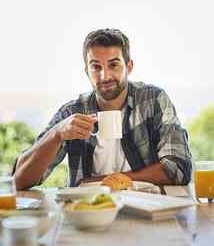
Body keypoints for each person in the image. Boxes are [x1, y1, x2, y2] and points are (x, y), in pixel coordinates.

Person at [14, 28, 192, 190]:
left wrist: (106, 182)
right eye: (96, 67)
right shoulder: (71, 113)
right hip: (89, 213)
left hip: (147, 210)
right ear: (87, 71)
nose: (104, 76)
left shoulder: (152, 100)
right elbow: (19, 181)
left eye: (113, 65)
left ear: (129, 67)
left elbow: (179, 166)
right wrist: (57, 134)